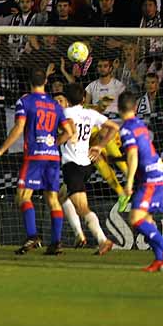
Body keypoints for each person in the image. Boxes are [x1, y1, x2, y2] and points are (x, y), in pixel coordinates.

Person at [0, 68, 75, 256]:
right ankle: (56, 243)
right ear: (45, 83)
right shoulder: (55, 105)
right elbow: (69, 132)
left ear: (29, 82)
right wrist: (54, 143)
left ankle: (32, 236)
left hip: (34, 156)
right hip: (52, 157)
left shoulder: (25, 101)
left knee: (23, 197)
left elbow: (19, 127)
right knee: (52, 199)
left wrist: (1, 149)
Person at [56, 82, 119, 256]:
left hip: (73, 166)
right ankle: (79, 235)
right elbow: (114, 127)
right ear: (83, 98)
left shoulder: (65, 113)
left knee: (83, 208)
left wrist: (55, 143)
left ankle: (102, 240)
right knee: (61, 196)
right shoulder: (91, 114)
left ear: (67, 100)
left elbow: (68, 132)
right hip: (86, 164)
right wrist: (99, 146)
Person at [119, 91, 163, 272]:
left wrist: (128, 183)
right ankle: (159, 259)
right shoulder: (140, 124)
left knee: (135, 219)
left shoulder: (126, 128)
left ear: (119, 109)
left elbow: (133, 155)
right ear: (135, 108)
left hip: (150, 179)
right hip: (158, 174)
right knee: (147, 219)